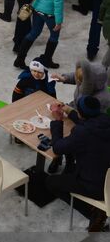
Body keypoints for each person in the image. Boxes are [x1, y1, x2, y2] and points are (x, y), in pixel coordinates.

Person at [47, 96, 110, 231]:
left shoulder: (82, 133)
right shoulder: (105, 119)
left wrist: (58, 121)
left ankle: (94, 213)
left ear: (81, 113)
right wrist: (68, 111)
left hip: (95, 186)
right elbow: (88, 122)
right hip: (106, 174)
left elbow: (57, 148)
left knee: (51, 182)